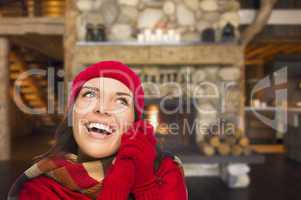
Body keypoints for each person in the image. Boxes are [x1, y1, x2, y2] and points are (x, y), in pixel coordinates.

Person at [8, 60, 188, 200]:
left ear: (135, 122)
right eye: (90, 94)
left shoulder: (165, 171)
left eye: (121, 101)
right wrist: (118, 185)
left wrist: (145, 186)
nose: (102, 108)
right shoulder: (39, 188)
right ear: (73, 113)